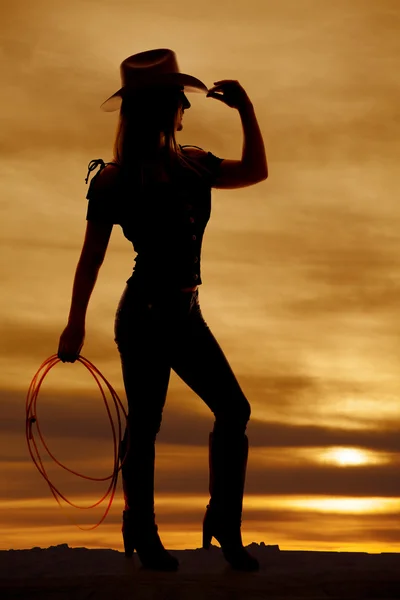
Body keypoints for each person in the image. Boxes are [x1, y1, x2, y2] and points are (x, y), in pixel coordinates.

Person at [57, 48, 268, 572]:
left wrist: (246, 110)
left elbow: (255, 173)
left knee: (233, 409)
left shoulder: (195, 165)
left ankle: (223, 523)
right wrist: (74, 324)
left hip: (185, 312)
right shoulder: (114, 180)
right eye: (180, 100)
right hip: (145, 315)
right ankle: (142, 529)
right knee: (147, 422)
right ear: (161, 106)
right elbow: (91, 258)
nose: (186, 109)